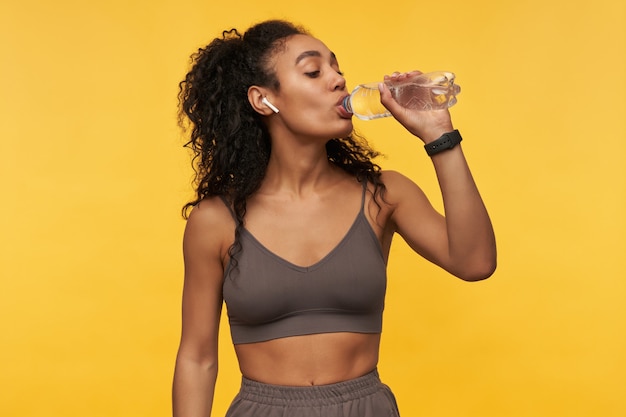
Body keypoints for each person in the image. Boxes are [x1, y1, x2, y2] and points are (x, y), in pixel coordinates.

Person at [172, 19, 496, 417]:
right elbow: (198, 357)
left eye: (337, 69)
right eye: (314, 71)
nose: (338, 80)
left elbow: (476, 262)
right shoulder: (216, 220)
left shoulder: (384, 196)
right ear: (263, 100)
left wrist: (439, 137)